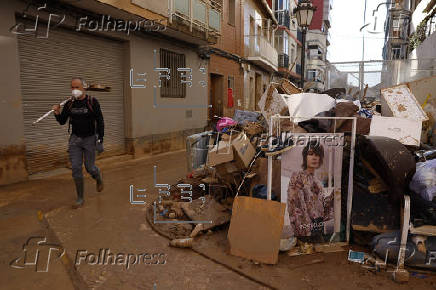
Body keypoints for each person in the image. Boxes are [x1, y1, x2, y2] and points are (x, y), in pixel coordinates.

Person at [52, 77, 104, 209]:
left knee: (89, 167)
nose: (74, 90)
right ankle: (80, 197)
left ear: (84, 88)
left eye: (77, 87)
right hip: (75, 140)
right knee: (76, 168)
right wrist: (57, 113)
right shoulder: (70, 104)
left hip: (89, 139)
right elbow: (62, 121)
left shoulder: (92, 102)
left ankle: (98, 177)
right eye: (72, 87)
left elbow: (100, 121)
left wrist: (100, 139)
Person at [287, 140, 334, 237]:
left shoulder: (318, 182)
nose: (314, 157)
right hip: (305, 227)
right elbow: (294, 205)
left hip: (319, 226)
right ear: (305, 157)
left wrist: (332, 198)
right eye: (310, 154)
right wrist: (306, 229)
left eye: (317, 155)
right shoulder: (298, 176)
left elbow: (321, 208)